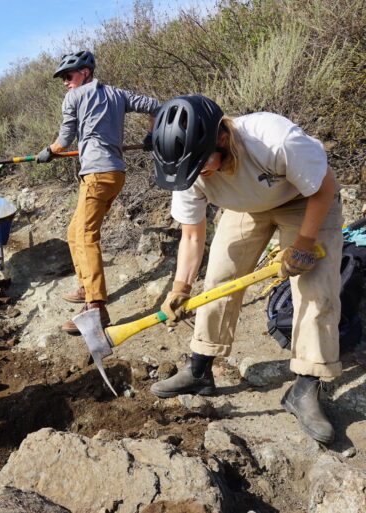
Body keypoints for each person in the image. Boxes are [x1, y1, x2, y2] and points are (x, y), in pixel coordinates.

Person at [150, 95, 342, 444]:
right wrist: (180, 287)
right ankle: (200, 369)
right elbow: (192, 237)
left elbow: (324, 187)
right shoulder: (186, 169)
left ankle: (305, 386)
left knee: (316, 290)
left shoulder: (274, 140)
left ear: (221, 138)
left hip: (304, 200)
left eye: (201, 165)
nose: (197, 174)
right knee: (220, 279)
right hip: (243, 207)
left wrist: (301, 246)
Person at [35, 50, 160, 334]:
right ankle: (85, 286)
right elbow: (157, 107)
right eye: (63, 79)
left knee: (86, 236)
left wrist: (48, 152)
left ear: (86, 73)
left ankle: (96, 308)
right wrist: (151, 135)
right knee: (73, 232)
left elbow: (64, 140)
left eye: (68, 76)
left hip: (96, 174)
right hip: (115, 174)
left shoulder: (74, 97)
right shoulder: (117, 94)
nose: (66, 83)